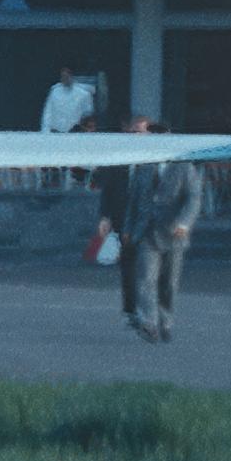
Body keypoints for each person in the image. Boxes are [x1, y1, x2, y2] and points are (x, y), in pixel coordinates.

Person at [122, 124, 204, 343]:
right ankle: (149, 322)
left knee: (168, 283)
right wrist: (128, 228)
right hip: (146, 231)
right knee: (145, 279)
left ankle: (166, 319)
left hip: (173, 233)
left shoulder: (184, 166)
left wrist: (184, 223)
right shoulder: (144, 166)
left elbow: (193, 198)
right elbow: (134, 199)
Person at [95, 115, 150, 327]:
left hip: (145, 220)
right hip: (121, 217)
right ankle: (131, 309)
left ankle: (146, 308)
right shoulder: (118, 158)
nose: (136, 135)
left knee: (145, 265)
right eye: (133, 131)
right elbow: (107, 190)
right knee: (128, 266)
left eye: (141, 131)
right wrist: (104, 217)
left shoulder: (153, 159)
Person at [40, 68, 94, 133]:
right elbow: (48, 112)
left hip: (76, 133)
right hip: (56, 133)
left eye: (67, 76)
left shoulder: (83, 94)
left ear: (72, 77)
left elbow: (88, 114)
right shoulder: (55, 93)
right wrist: (45, 130)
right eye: (63, 77)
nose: (65, 79)